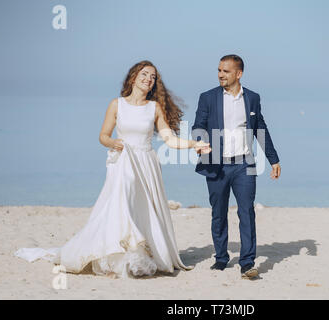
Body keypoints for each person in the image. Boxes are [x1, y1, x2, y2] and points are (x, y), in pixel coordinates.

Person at [14, 60, 211, 278]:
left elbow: (169, 139)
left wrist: (194, 144)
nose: (148, 79)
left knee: (142, 209)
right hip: (123, 161)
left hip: (146, 164)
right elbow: (103, 135)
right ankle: (119, 256)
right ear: (134, 77)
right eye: (144, 74)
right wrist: (112, 143)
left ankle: (139, 254)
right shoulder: (117, 104)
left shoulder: (153, 108)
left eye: (153, 77)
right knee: (121, 204)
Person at [192, 54, 281, 279]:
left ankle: (247, 262)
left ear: (238, 74)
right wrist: (199, 143)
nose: (221, 74)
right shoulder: (207, 97)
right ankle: (221, 258)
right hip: (216, 165)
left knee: (247, 212)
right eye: (219, 70)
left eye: (226, 71)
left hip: (245, 164)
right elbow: (198, 126)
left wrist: (273, 159)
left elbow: (260, 129)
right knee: (218, 213)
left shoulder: (252, 98)